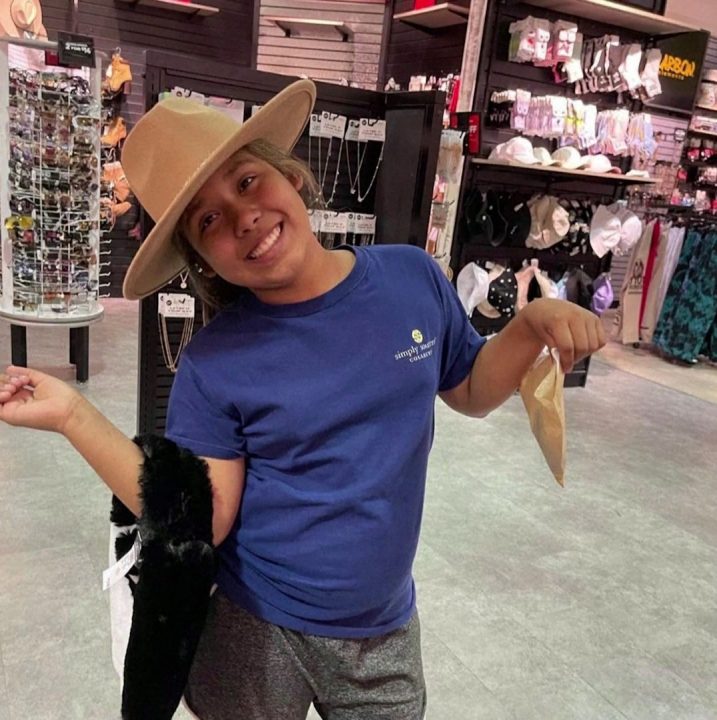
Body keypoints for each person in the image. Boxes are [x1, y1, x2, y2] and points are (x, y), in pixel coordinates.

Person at [0, 79, 605, 719]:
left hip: (384, 627)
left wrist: (529, 326)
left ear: (290, 174)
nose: (243, 217)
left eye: (247, 181)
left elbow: (472, 389)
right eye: (209, 221)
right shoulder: (213, 363)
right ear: (203, 262)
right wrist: (73, 415)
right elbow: (205, 519)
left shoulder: (412, 279)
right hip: (256, 627)